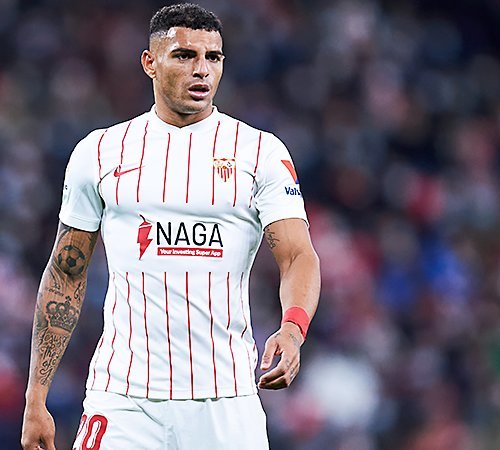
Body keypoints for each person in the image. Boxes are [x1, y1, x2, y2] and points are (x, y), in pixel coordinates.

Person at [20, 3, 320, 449]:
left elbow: (297, 254)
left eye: (213, 57)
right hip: (123, 397)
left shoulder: (260, 153)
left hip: (225, 398)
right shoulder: (99, 152)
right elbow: (66, 273)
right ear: (150, 62)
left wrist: (293, 329)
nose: (202, 70)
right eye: (184, 55)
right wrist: (36, 396)